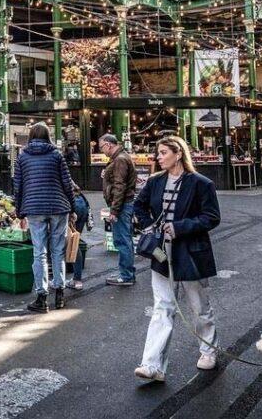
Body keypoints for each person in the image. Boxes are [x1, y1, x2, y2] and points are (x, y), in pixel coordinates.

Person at [134, 135, 221, 382]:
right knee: (162, 307)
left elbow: (212, 217)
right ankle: (152, 365)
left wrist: (180, 227)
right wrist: (151, 226)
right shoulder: (154, 182)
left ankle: (208, 351)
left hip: (192, 252)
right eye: (158, 153)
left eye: (163, 153)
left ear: (178, 153)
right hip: (162, 253)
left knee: (199, 308)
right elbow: (139, 206)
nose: (158, 157)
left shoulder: (201, 183)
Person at [13, 122, 75, 313]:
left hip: (34, 208)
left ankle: (41, 298)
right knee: (58, 251)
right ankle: (60, 294)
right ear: (48, 136)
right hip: (58, 207)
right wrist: (72, 206)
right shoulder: (56, 155)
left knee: (39, 252)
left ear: (31, 136)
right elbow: (67, 183)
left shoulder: (22, 157)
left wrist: (19, 211)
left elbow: (18, 186)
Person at [100, 133, 138, 286]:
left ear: (109, 144)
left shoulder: (120, 159)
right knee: (124, 239)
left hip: (122, 206)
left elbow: (120, 186)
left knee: (122, 240)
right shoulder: (119, 158)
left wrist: (114, 211)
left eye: (101, 146)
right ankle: (126, 273)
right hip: (123, 204)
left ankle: (126, 275)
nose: (101, 150)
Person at [67, 186, 91, 290]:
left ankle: (58, 281)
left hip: (70, 204)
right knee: (75, 242)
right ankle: (77, 280)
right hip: (81, 202)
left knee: (58, 244)